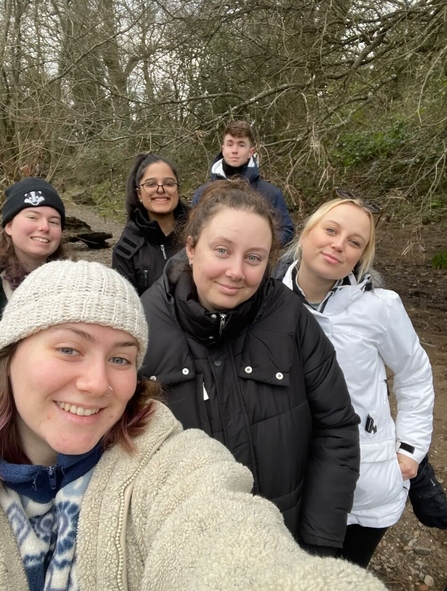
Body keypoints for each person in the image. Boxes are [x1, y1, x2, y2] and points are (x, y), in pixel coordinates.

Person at [0, 259, 388, 591]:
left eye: (121, 359)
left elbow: (220, 533)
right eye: (69, 350)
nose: (98, 383)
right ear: (10, 353)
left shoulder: (166, 460)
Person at [140, 179, 361, 557]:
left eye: (254, 258)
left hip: (283, 542)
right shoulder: (141, 326)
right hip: (185, 552)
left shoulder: (291, 319)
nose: (236, 271)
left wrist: (318, 543)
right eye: (222, 250)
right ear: (191, 248)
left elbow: (336, 427)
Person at [274, 193, 435, 567]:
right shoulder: (265, 300)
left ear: (361, 255)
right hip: (289, 475)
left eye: (354, 242)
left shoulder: (381, 307)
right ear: (307, 232)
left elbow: (414, 374)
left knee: (346, 575)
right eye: (331, 230)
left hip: (366, 479)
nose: (338, 245)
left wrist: (410, 449)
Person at [192, 120, 294, 246]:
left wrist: (258, 244)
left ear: (251, 151)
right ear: (223, 149)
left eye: (241, 145)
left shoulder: (271, 193)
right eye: (230, 144)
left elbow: (286, 231)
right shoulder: (203, 193)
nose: (234, 150)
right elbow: (192, 231)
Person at [112, 152, 189, 295]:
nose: (160, 190)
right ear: (139, 194)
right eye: (151, 184)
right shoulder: (125, 251)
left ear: (177, 189)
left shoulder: (200, 232)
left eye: (168, 183)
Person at [0, 176, 67, 316]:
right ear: (9, 226)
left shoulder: (73, 280)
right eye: (32, 217)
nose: (44, 227)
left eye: (53, 222)